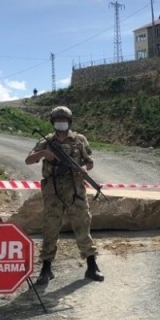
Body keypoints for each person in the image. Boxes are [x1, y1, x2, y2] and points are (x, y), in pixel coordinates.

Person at [25, 106, 104, 285]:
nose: (61, 123)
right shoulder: (46, 141)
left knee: (82, 224)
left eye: (64, 120)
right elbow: (29, 160)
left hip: (75, 189)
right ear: (53, 122)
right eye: (58, 120)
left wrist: (84, 169)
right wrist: (44, 153)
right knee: (51, 227)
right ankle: (46, 268)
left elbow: (89, 162)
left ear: (69, 121)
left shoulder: (79, 140)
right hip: (53, 190)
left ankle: (92, 265)